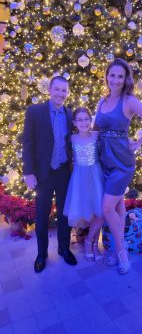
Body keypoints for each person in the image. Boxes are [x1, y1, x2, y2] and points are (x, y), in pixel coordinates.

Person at [94, 58, 142, 274]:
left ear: (125, 80)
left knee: (107, 208)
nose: (115, 80)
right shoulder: (101, 101)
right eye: (112, 75)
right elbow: (96, 129)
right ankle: (115, 250)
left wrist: (139, 142)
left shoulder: (128, 101)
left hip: (122, 163)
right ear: (106, 76)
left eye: (119, 76)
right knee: (117, 206)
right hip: (102, 159)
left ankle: (121, 250)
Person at [22, 76, 77, 273]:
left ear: (67, 93)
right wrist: (28, 172)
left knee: (65, 214)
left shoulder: (71, 115)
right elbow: (27, 143)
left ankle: (64, 248)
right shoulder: (35, 111)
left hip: (64, 172)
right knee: (42, 215)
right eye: (57, 89)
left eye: (64, 90)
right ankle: (41, 254)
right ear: (50, 90)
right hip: (43, 174)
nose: (60, 94)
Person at [63, 107, 104, 262]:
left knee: (100, 212)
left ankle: (91, 243)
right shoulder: (72, 139)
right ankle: (90, 243)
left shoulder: (97, 135)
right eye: (79, 120)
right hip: (80, 178)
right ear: (74, 122)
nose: (83, 122)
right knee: (91, 211)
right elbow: (68, 157)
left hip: (96, 176)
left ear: (90, 120)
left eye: (86, 119)